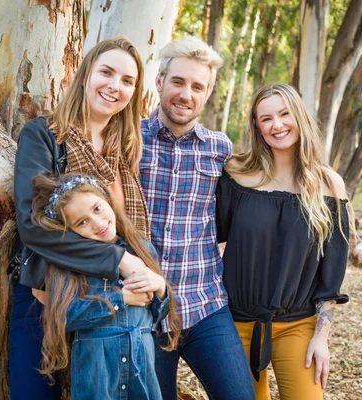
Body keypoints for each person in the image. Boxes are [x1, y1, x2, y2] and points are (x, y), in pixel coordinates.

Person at [11, 38, 158, 399]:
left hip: (118, 310)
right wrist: (120, 260)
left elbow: (130, 232)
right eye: (106, 72)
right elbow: (33, 225)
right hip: (47, 302)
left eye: (127, 81)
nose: (115, 86)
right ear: (86, 74)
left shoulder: (123, 151)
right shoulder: (45, 135)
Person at [130, 36, 255, 400]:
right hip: (146, 312)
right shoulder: (129, 139)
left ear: (207, 93)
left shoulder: (220, 149)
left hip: (205, 305)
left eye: (197, 86)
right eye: (178, 82)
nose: (186, 94)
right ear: (160, 82)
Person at [216, 84, 350, 400]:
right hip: (236, 324)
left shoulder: (328, 185)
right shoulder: (236, 176)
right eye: (266, 119)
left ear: (299, 117)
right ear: (257, 127)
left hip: (297, 325)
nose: (277, 125)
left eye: (284, 114)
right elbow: (208, 238)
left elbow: (331, 276)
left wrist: (322, 337)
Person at [29, 173, 181, 399]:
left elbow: (155, 317)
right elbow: (64, 317)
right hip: (98, 375)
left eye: (97, 209)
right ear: (71, 232)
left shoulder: (142, 250)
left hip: (141, 369)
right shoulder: (72, 265)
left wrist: (160, 287)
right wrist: (120, 300)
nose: (97, 224)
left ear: (108, 201)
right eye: (82, 222)